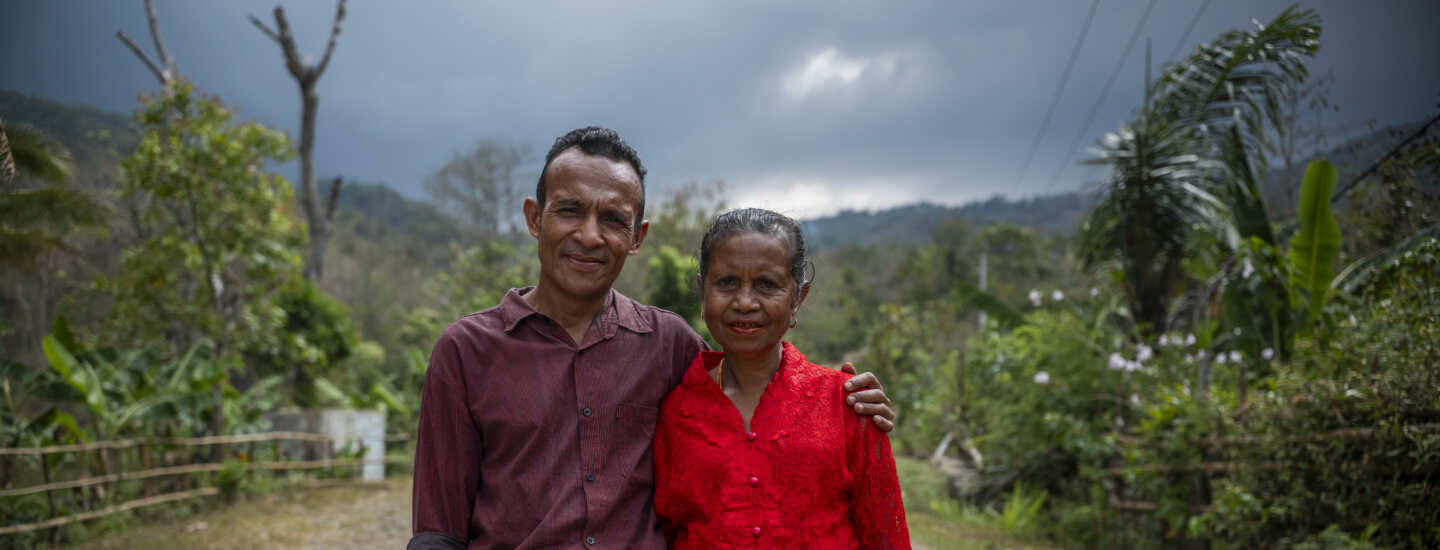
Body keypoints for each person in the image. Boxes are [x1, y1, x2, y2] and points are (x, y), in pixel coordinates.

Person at [408, 127, 896, 550]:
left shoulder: (669, 345)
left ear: (637, 237)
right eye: (570, 211)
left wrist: (842, 398)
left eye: (613, 220)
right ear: (535, 218)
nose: (590, 236)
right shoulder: (466, 351)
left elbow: (753, 380)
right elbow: (439, 532)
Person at [653, 208, 910, 549]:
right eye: (727, 282)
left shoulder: (848, 403)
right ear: (703, 291)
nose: (745, 302)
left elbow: (886, 537)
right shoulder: (676, 412)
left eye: (767, 285)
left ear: (797, 299)